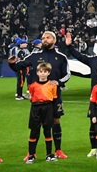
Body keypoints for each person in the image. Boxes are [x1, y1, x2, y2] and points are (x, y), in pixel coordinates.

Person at [14, 31, 70, 159]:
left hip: (55, 95)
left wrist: (60, 82)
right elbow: (19, 66)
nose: (44, 40)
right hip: (38, 97)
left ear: (54, 41)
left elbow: (67, 74)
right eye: (43, 38)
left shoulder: (61, 57)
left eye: (48, 38)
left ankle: (58, 150)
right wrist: (12, 63)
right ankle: (31, 153)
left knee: (56, 120)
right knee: (36, 124)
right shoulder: (34, 56)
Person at [25, 63, 59, 164]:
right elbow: (31, 98)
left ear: (48, 73)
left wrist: (54, 113)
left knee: (47, 131)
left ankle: (49, 154)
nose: (43, 74)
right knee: (34, 131)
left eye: (45, 72)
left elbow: (54, 99)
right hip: (36, 108)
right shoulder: (33, 86)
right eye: (41, 72)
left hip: (48, 108)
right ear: (37, 73)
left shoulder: (52, 85)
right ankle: (31, 155)